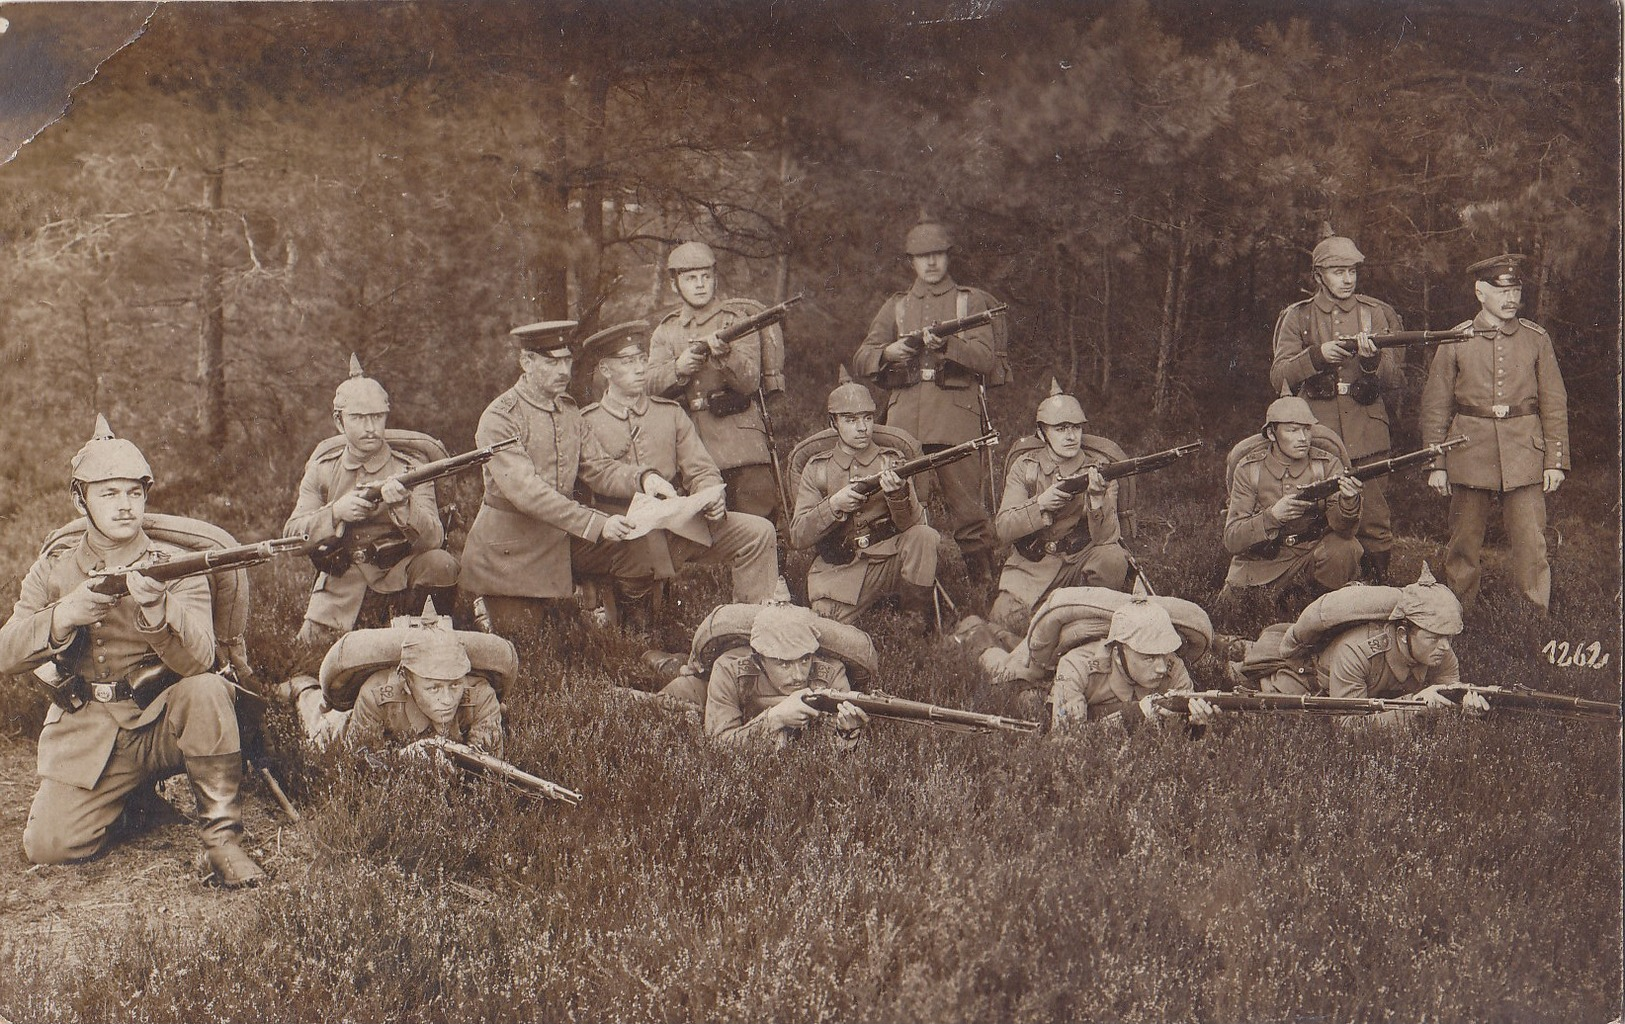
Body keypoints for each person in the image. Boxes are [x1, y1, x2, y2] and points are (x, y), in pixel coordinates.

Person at [0, 418, 264, 886]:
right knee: (48, 847)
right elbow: (6, 651)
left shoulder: (175, 566)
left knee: (205, 690)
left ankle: (223, 842)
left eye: (134, 493)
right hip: (87, 729)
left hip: (161, 721)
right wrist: (64, 615)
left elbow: (201, 660)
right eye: (109, 493)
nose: (125, 506)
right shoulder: (55, 570)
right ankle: (132, 804)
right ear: (80, 500)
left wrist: (160, 610)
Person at [460, 320, 679, 641]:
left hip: (562, 537)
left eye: (566, 360)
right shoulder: (501, 417)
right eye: (551, 362)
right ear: (526, 362)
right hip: (512, 551)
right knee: (529, 647)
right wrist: (596, 523)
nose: (563, 370)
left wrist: (644, 478)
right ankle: (488, 603)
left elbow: (600, 468)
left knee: (635, 542)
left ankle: (634, 639)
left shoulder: (567, 411)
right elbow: (529, 495)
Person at [577, 320, 778, 628]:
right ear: (605, 369)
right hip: (624, 534)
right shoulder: (587, 422)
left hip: (676, 527)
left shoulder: (670, 413)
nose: (639, 368)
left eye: (641, 359)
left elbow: (700, 468)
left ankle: (751, 625)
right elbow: (597, 475)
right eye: (627, 361)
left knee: (758, 533)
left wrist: (712, 495)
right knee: (640, 627)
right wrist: (643, 479)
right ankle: (633, 622)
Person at [852, 219, 999, 588]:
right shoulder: (897, 307)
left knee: (968, 512)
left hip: (956, 421)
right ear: (911, 262)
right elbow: (862, 357)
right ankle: (906, 592)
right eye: (922, 257)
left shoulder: (970, 301)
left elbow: (986, 359)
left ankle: (982, 593)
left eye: (937, 255)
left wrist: (948, 345)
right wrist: (890, 351)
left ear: (947, 257)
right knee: (900, 508)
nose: (931, 263)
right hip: (905, 425)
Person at [1420, 254, 1569, 613]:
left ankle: (1533, 617)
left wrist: (1555, 461)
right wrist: (1436, 463)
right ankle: (1456, 616)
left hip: (1524, 452)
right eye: (1501, 291)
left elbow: (1554, 402)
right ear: (1479, 292)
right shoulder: (1455, 339)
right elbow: (1435, 406)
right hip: (1469, 450)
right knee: (1463, 543)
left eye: (1516, 290)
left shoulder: (1536, 339)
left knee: (1532, 543)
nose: (1510, 298)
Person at [284, 355, 459, 645]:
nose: (370, 428)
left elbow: (434, 540)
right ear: (339, 422)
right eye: (358, 418)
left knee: (441, 563)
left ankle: (428, 636)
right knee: (305, 665)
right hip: (341, 591)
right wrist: (335, 513)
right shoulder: (323, 469)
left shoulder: (412, 468)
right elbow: (291, 537)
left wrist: (404, 508)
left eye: (377, 417)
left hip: (400, 580)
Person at [1269, 236, 1406, 581]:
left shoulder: (1375, 314)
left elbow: (1394, 379)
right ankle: (1318, 594)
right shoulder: (1298, 318)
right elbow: (1279, 377)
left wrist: (1372, 361)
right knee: (1318, 517)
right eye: (1338, 271)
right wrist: (1317, 357)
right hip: (1318, 432)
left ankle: (1377, 593)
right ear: (1318, 275)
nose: (1348, 279)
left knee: (1374, 519)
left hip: (1367, 430)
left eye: (1352, 271)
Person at [1228, 565, 1486, 721]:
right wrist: (1416, 706)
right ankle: (1223, 649)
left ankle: (1236, 644)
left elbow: (1446, 704)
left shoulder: (1440, 653)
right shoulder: (1357, 650)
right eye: (1433, 637)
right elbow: (1349, 727)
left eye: (1449, 637)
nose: (1445, 646)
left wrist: (1468, 712)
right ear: (1402, 634)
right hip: (1306, 677)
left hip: (1348, 681)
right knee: (1243, 677)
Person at [646, 242, 785, 520]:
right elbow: (649, 385)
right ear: (675, 285)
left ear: (715, 278)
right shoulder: (667, 331)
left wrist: (727, 355)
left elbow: (749, 382)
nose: (700, 285)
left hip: (742, 440)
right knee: (709, 529)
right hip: (693, 444)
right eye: (690, 278)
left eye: (706, 277)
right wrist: (679, 368)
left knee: (759, 520)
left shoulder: (737, 322)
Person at [789, 380, 940, 629]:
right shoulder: (817, 469)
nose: (862, 428)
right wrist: (834, 505)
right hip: (840, 571)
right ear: (832, 423)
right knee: (826, 627)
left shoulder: (891, 460)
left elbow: (914, 526)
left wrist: (898, 495)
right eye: (850, 420)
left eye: (868, 418)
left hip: (889, 561)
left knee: (925, 537)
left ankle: (914, 623)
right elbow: (798, 536)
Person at [990, 386, 1131, 635]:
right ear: (1042, 433)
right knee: (1005, 623)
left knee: (1112, 558)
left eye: (1076, 427)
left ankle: (1087, 618)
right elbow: (1003, 528)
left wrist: (1097, 499)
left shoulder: (1099, 470)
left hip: (1080, 563)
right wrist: (1040, 505)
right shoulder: (1025, 468)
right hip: (1032, 567)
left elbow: (1108, 540)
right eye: (1060, 428)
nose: (1070, 436)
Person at [277, 606, 506, 755]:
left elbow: (487, 762)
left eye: (454, 685)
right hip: (349, 724)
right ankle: (302, 687)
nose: (447, 699)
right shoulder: (377, 693)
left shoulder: (480, 696)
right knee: (321, 725)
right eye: (433, 687)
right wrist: (402, 757)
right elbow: (359, 759)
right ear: (407, 682)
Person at [1223, 396, 1364, 605]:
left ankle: (1324, 609)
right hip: (1262, 564)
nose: (1303, 438)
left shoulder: (1326, 464)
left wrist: (1349, 502)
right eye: (1292, 430)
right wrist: (1272, 517)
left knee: (1345, 548)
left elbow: (1344, 530)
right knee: (1229, 614)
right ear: (1272, 433)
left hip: (1310, 557)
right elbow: (1232, 539)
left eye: (1307, 429)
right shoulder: (1249, 469)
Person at [703, 605, 869, 748]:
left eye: (805, 659)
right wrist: (775, 719)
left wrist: (849, 734)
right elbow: (719, 744)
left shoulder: (830, 674)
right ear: (758, 660)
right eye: (784, 664)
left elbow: (833, 758)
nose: (798, 675)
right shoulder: (729, 670)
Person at [1049, 599, 1211, 730]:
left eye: (1164, 653)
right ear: (1118, 654)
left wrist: (1195, 727)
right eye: (1149, 657)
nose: (1162, 667)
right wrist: (1135, 715)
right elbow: (1066, 738)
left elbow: (1182, 745)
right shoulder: (1077, 666)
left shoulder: (1174, 667)